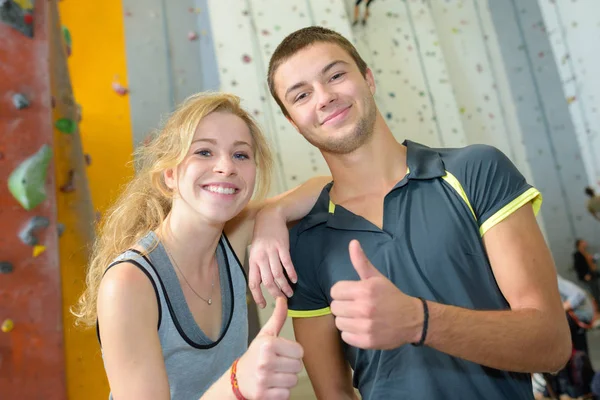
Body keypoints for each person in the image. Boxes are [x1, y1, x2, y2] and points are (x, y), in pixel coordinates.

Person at [249, 26, 571, 399]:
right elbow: (334, 392)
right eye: (301, 95)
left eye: (336, 75)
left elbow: (552, 344)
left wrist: (419, 320)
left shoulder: (476, 171)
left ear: (368, 78)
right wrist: (269, 213)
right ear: (293, 121)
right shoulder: (304, 241)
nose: (324, 98)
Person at [72, 92, 330, 400]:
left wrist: (273, 215)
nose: (226, 167)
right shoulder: (128, 284)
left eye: (241, 155)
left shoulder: (231, 238)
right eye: (204, 152)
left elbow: (325, 186)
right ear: (169, 174)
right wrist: (238, 384)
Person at [573, 239, 600, 307]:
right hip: (587, 276)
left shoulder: (586, 253)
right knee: (594, 292)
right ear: (579, 245)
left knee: (597, 290)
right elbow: (578, 266)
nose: (585, 243)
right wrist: (585, 275)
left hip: (593, 274)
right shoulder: (578, 255)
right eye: (583, 242)